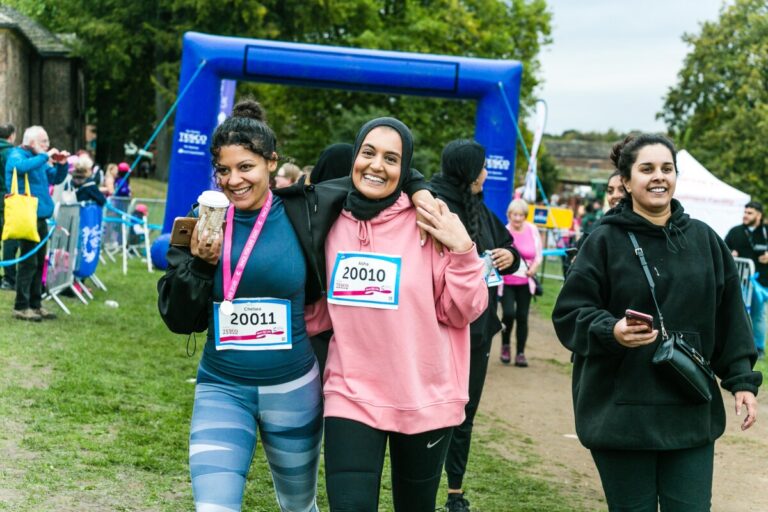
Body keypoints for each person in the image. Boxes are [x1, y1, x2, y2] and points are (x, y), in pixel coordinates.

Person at [158, 100, 434, 512]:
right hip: (222, 388)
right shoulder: (201, 220)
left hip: (292, 391)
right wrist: (200, 265)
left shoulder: (307, 208)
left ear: (272, 163)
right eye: (224, 170)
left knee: (298, 506)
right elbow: (178, 319)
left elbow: (381, 174)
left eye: (246, 167)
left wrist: (421, 189)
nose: (234, 181)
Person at [552, 133, 761, 511]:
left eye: (667, 168)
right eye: (646, 169)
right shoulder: (602, 241)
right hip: (620, 414)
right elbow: (570, 313)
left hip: (689, 410)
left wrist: (741, 380)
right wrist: (611, 330)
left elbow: (731, 315)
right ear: (627, 181)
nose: (658, 177)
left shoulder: (705, 241)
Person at [305, 118, 488, 511]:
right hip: (350, 393)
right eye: (368, 153)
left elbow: (464, 311)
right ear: (354, 156)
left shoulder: (428, 220)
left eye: (392, 158)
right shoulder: (329, 219)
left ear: (405, 171)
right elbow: (319, 312)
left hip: (424, 396)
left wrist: (463, 250)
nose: (376, 166)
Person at [429, 139, 520, 512]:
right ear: (466, 170)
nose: (486, 173)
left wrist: (508, 255)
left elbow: (510, 249)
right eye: (481, 167)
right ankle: (421, 486)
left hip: (479, 328)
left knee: (465, 412)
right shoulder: (432, 203)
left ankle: (455, 492)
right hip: (437, 328)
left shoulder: (479, 208)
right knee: (434, 413)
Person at [4, 126, 69, 321]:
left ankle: (35, 304)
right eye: (44, 142)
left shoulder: (38, 160)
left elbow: (55, 178)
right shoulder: (16, 154)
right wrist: (44, 156)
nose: (48, 145)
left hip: (40, 217)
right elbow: (20, 168)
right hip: (26, 217)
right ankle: (21, 306)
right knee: (28, 262)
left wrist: (62, 165)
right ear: (31, 142)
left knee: (40, 262)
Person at [499, 198, 542, 367]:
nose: (517, 218)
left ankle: (521, 353)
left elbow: (538, 254)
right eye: (514, 215)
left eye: (521, 215)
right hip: (507, 281)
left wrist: (534, 269)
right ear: (509, 215)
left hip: (526, 281)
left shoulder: (532, 230)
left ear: (525, 216)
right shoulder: (504, 231)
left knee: (522, 317)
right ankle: (505, 345)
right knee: (508, 314)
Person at [725, 201, 768, 358]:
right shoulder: (735, 232)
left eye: (749, 213)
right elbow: (723, 249)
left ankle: (759, 348)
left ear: (759, 215)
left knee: (759, 315)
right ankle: (735, 346)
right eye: (745, 212)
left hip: (762, 283)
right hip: (739, 282)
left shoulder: (766, 231)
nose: (745, 215)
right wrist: (731, 253)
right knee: (736, 313)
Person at [0, 123, 18, 291]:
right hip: (8, 200)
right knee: (10, 240)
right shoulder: (13, 153)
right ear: (11, 135)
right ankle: (10, 277)